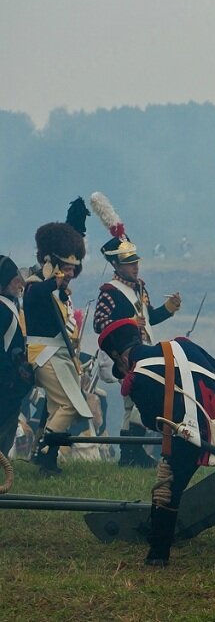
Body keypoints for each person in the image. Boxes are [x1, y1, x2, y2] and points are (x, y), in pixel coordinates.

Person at [97, 318, 215, 568]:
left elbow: (154, 420)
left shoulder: (136, 377)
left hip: (185, 434)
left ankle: (158, 555)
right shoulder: (185, 346)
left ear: (119, 357)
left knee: (167, 491)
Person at [91, 193, 182, 468]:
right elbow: (100, 323)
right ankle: (134, 452)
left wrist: (168, 308)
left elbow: (149, 319)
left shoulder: (139, 287)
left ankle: (129, 454)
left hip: (143, 350)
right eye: (129, 263)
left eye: (136, 261)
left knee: (131, 403)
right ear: (117, 265)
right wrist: (130, 324)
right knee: (140, 398)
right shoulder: (109, 291)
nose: (135, 265)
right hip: (123, 352)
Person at [24, 200, 94, 476]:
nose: (69, 273)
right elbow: (32, 300)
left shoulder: (59, 290)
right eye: (65, 267)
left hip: (60, 355)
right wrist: (53, 282)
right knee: (68, 406)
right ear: (51, 261)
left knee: (56, 408)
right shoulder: (35, 284)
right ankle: (43, 453)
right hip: (44, 353)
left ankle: (46, 458)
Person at [0, 256, 33, 456]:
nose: (18, 283)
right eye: (14, 279)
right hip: (5, 381)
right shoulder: (3, 310)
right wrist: (10, 377)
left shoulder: (11, 306)